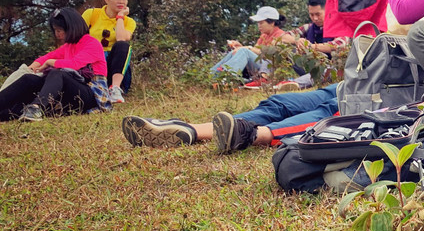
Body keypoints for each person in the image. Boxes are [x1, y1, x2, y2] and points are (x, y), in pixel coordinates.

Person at [122, 83, 339, 153]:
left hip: (368, 97)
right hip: (344, 84)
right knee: (280, 103)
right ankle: (190, 129)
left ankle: (250, 135)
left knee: (331, 111)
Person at [0, 8, 110, 121]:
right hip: (68, 95)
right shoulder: (68, 46)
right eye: (55, 30)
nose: (57, 34)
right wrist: (32, 67)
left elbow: (75, 64)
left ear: (72, 27)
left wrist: (49, 63)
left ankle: (36, 107)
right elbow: (47, 57)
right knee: (29, 79)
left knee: (57, 73)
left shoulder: (91, 43)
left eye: (59, 30)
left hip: (91, 94)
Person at [210, 6, 297, 84]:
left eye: (261, 23)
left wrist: (246, 48)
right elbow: (255, 52)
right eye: (258, 23)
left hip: (268, 70)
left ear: (272, 23)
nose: (259, 26)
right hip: (260, 66)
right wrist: (240, 47)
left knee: (244, 51)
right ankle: (213, 74)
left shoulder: (281, 35)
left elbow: (264, 54)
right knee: (237, 51)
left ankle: (226, 77)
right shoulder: (264, 35)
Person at [82, 0, 136, 104]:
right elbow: (77, 37)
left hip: (113, 67)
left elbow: (122, 38)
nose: (121, 1)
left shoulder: (129, 22)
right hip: (91, 62)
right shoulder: (91, 14)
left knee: (122, 46)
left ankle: (115, 89)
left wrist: (120, 17)